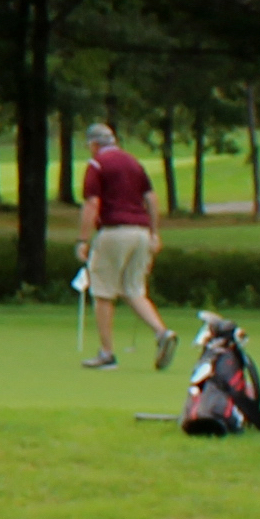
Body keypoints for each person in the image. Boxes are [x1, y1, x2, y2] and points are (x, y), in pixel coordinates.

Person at [73, 121, 171, 373]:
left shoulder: (97, 164)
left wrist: (83, 239)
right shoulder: (133, 162)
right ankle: (162, 333)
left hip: (115, 231)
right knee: (133, 289)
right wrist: (154, 232)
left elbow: (92, 204)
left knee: (103, 292)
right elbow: (151, 197)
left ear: (94, 144)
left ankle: (107, 353)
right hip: (140, 233)